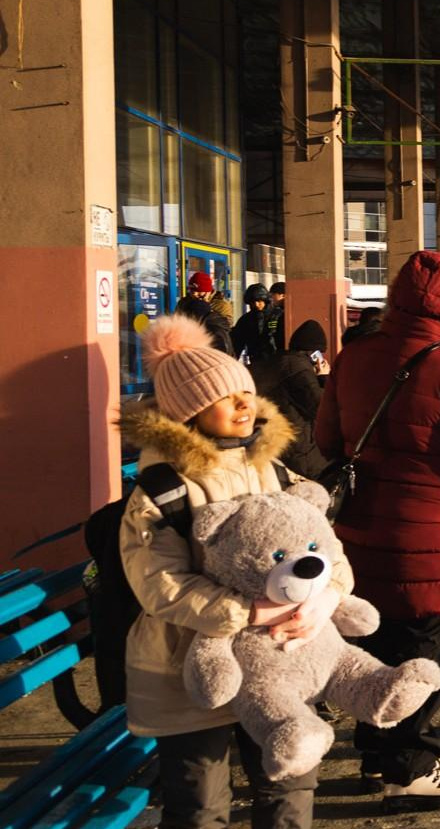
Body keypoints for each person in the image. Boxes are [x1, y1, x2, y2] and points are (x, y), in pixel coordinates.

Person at [119, 314, 348, 829]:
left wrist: (325, 598)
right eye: (229, 397)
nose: (247, 403)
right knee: (200, 807)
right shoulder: (161, 488)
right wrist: (247, 609)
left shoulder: (274, 470)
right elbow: (158, 583)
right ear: (191, 410)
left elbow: (327, 550)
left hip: (276, 664)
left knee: (290, 785)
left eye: (247, 392)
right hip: (185, 670)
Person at [314, 251, 440, 812]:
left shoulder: (352, 359)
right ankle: (412, 768)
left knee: (372, 654)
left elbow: (327, 440)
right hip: (435, 547)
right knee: (425, 662)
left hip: (362, 539)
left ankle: (376, 759)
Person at [249, 319, 330, 479]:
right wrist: (324, 378)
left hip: (268, 445)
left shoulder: (275, 362)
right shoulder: (299, 370)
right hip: (298, 451)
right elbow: (321, 408)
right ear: (313, 353)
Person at [174, 272, 236, 357]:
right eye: (192, 290)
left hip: (213, 347)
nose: (194, 294)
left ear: (208, 291)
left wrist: (206, 309)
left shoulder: (221, 304)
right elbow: (177, 322)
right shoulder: (184, 303)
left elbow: (226, 326)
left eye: (198, 291)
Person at [232, 284, 273, 363]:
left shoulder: (276, 315)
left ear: (265, 300)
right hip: (256, 362)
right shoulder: (246, 320)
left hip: (276, 362)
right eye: (253, 302)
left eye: (259, 301)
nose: (256, 305)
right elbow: (237, 343)